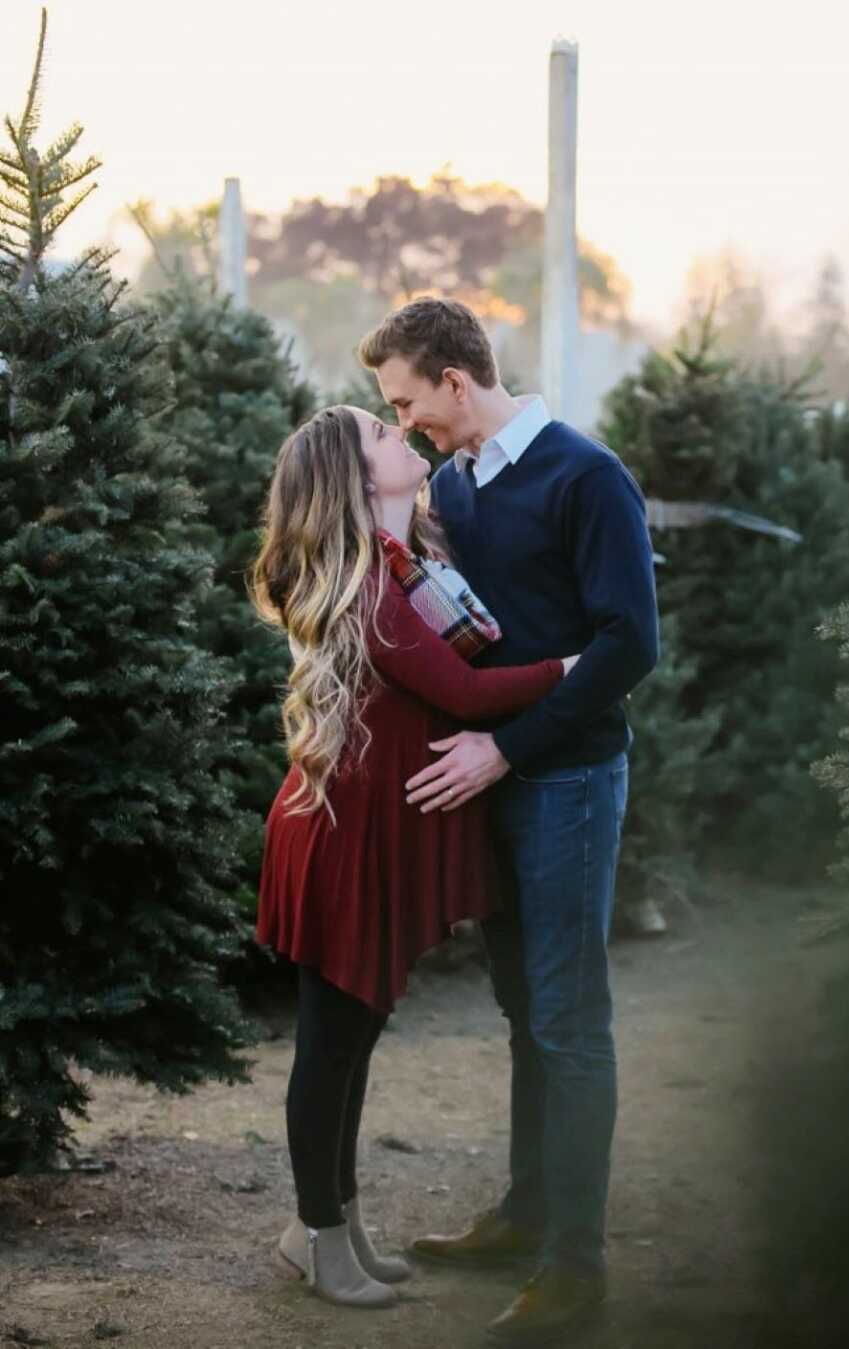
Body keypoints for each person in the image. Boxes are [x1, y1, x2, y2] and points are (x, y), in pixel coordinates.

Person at [358, 299, 659, 1344]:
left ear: (455, 378)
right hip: (491, 781)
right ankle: (526, 1214)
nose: (404, 423)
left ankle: (576, 1268)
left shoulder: (586, 475)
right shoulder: (450, 484)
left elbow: (631, 645)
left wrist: (510, 748)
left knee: (570, 1018)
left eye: (408, 401)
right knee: (525, 1006)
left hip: (567, 779)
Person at [249, 404, 576, 1311]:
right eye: (385, 437)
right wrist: (575, 668)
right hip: (341, 838)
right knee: (332, 1044)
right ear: (359, 480)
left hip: (371, 829)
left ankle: (331, 1223)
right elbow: (463, 690)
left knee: (355, 1037)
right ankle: (318, 1233)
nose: (408, 440)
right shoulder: (364, 585)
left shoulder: (407, 562)